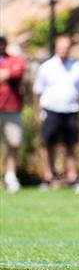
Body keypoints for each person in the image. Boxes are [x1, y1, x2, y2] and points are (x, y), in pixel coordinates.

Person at [33, 35, 79, 186]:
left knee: (70, 144)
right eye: (61, 47)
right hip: (51, 110)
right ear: (56, 47)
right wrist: (40, 110)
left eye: (66, 47)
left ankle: (72, 176)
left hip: (70, 110)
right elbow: (38, 90)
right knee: (48, 143)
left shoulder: (77, 67)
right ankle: (48, 176)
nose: (64, 50)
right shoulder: (46, 67)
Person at [0, 33, 26, 193]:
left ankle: (10, 176)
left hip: (11, 109)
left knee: (13, 143)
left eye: (2, 42)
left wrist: (5, 73)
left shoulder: (15, 60)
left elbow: (17, 72)